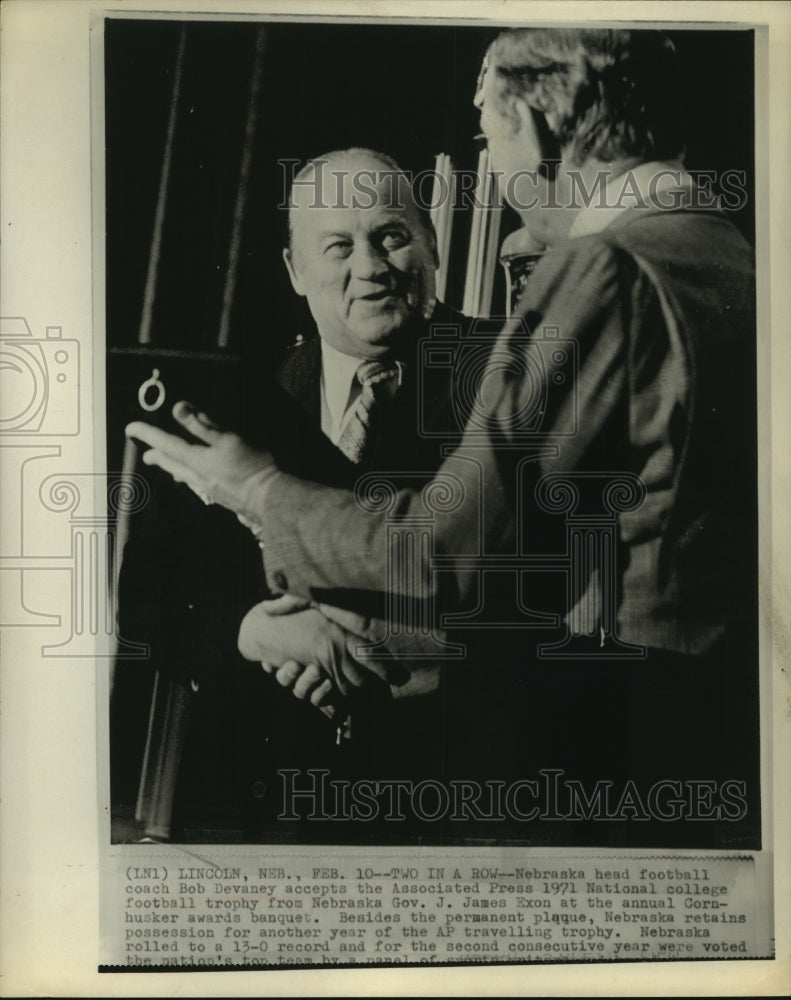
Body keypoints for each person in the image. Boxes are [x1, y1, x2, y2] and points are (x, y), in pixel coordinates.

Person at [129, 29, 759, 846]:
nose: (492, 172)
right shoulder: (726, 252)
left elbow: (452, 555)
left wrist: (256, 489)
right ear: (292, 270)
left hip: (582, 755)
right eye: (336, 247)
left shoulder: (603, 270)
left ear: (532, 133)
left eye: (487, 143)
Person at [120, 147, 470, 839]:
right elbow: (143, 597)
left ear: (430, 241)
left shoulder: (509, 382)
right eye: (338, 245)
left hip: (447, 799)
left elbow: (557, 593)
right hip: (252, 807)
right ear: (294, 271)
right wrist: (253, 633)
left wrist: (383, 652)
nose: (369, 267)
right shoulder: (237, 399)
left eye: (391, 236)